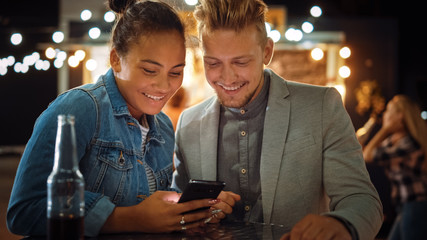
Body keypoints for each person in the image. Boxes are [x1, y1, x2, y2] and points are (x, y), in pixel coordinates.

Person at [7, 0, 221, 237]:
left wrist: (194, 209)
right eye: (150, 70)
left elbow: (156, 205)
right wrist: (131, 219)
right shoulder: (77, 110)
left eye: (175, 72)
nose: (164, 86)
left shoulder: (163, 126)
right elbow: (24, 211)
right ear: (116, 59)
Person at [171, 0, 383, 239]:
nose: (227, 77)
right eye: (213, 63)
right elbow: (177, 209)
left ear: (267, 52)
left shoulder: (322, 106)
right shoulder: (188, 124)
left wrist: (343, 225)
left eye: (241, 62)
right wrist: (196, 213)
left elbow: (361, 198)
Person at [363, 95, 427, 240]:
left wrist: (385, 129)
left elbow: (368, 156)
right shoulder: (392, 142)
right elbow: (365, 153)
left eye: (388, 110)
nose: (384, 114)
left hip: (417, 205)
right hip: (405, 206)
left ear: (400, 116)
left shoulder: (409, 144)